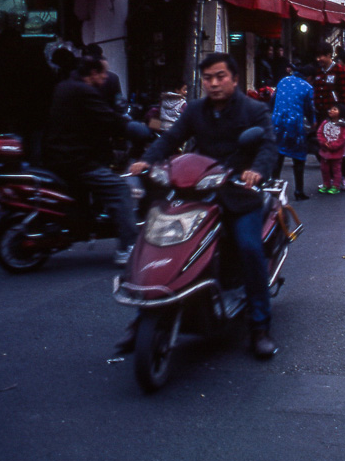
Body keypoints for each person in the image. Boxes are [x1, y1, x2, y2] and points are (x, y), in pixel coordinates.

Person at [130, 53, 281, 359]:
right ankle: (141, 318)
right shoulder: (195, 110)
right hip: (196, 193)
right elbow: (171, 138)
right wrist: (148, 160)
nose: (214, 83)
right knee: (157, 239)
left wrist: (257, 171)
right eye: (208, 78)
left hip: (240, 194)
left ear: (235, 79)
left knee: (249, 248)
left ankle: (260, 326)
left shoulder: (254, 110)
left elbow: (267, 146)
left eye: (220, 76)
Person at [42, 57, 139, 265]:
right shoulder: (83, 91)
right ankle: (128, 247)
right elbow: (108, 117)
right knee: (119, 189)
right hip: (75, 159)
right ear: (93, 73)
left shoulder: (64, 86)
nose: (105, 77)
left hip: (60, 155)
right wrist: (134, 129)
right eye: (103, 73)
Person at [271, 65, 315, 200]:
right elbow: (309, 109)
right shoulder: (307, 87)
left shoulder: (282, 81)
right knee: (298, 158)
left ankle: (273, 186)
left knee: (278, 157)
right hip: (294, 124)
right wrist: (313, 122)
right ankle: (299, 191)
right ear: (309, 77)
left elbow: (272, 101)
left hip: (277, 123)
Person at [316, 105, 345, 194]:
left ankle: (336, 185)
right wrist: (323, 142)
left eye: (335, 109)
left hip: (337, 152)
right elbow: (320, 133)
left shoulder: (343, 125)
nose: (331, 111)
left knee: (336, 170)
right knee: (324, 169)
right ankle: (326, 184)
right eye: (330, 109)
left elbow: (343, 138)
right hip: (325, 151)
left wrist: (333, 146)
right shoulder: (325, 123)